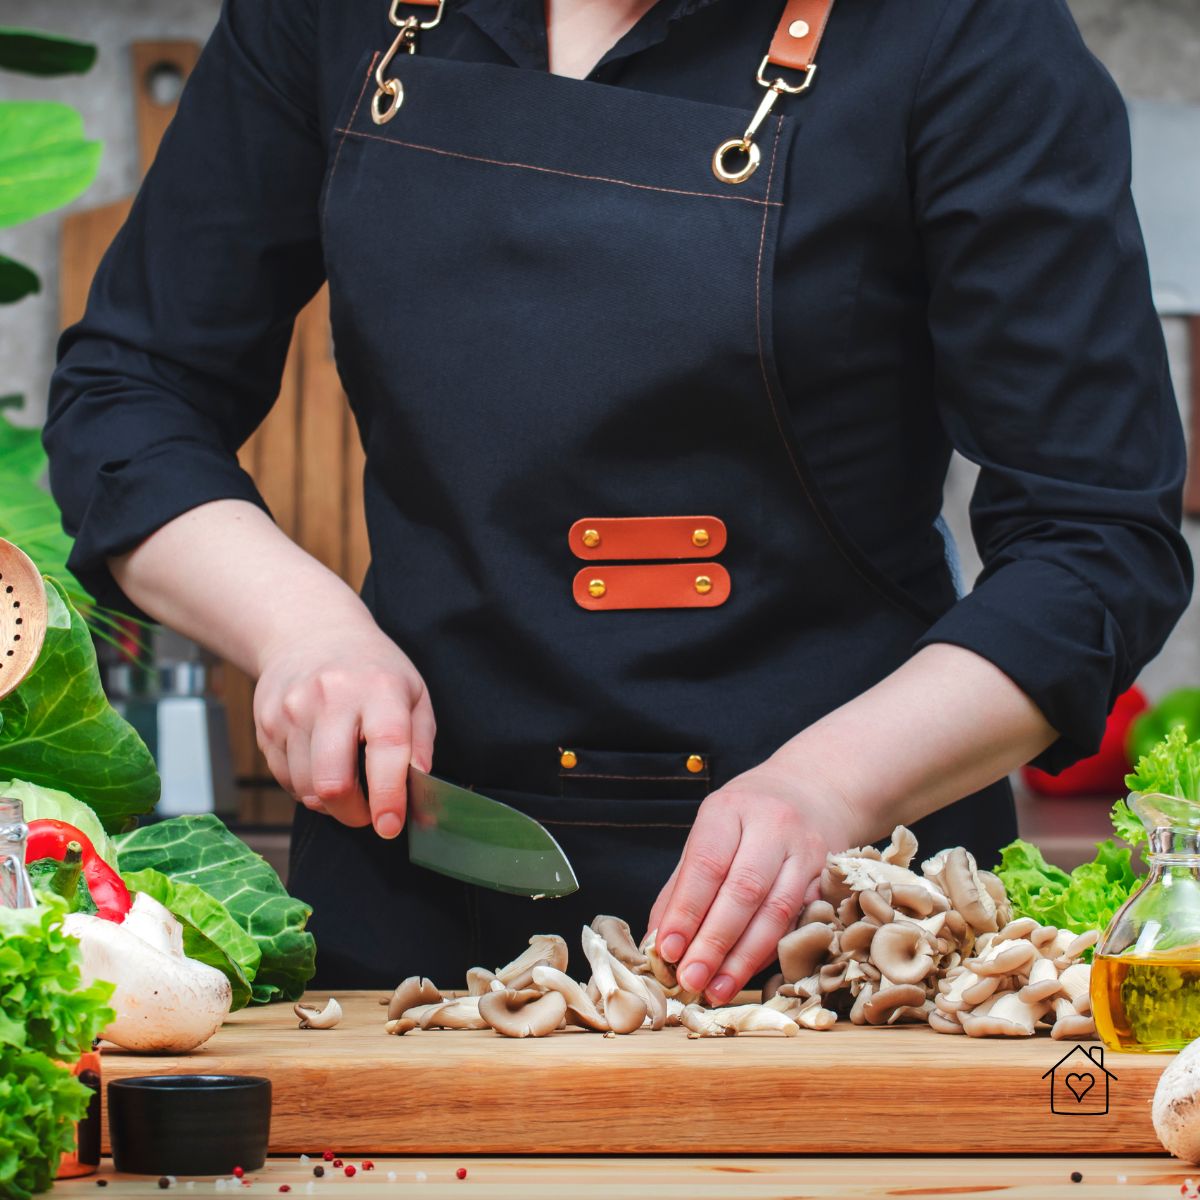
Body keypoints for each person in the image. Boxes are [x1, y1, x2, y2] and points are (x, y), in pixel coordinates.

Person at [45, 0, 1191, 998]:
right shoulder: (333, 15)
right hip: (412, 905)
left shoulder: (965, 31)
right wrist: (303, 628)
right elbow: (131, 394)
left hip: (848, 930)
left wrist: (827, 787)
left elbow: (1095, 537)